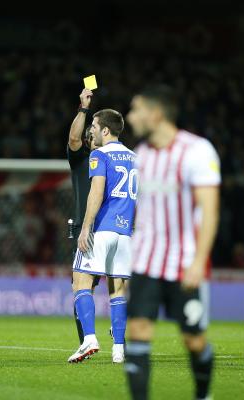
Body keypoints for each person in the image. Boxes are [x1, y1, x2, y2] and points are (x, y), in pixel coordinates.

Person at [125, 85, 220, 400]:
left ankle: (202, 395)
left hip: (183, 264)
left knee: (193, 340)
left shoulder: (196, 150)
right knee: (137, 332)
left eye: (136, 109)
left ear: (156, 114)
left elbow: (209, 209)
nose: (131, 116)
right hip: (146, 263)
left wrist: (198, 262)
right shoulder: (141, 155)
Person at [68, 108, 137, 364]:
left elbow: (96, 192)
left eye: (95, 127)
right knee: (117, 289)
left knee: (80, 282)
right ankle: (119, 349)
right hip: (125, 231)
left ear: (105, 130)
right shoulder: (134, 157)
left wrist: (86, 227)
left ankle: (89, 339)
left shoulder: (99, 154)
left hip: (103, 229)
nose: (92, 130)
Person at [67, 88, 101, 345]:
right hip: (87, 230)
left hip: (104, 229)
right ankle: (87, 340)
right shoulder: (82, 160)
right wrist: (83, 107)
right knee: (84, 285)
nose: (89, 133)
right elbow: (73, 137)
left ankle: (113, 339)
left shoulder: (112, 159)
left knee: (87, 285)